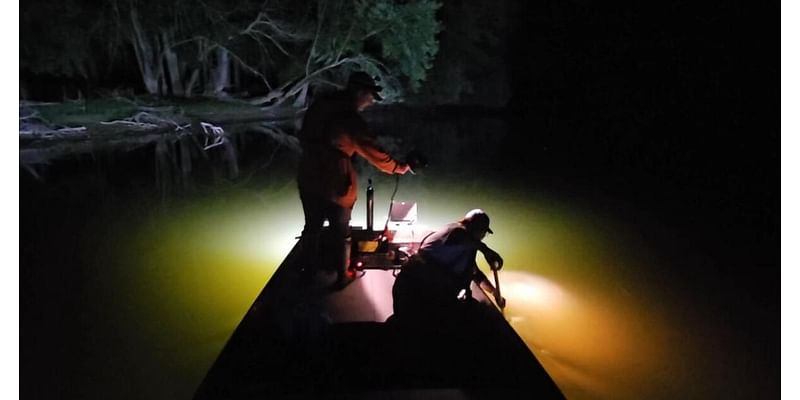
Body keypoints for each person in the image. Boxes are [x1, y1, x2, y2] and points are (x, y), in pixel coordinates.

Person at [296, 71, 411, 288]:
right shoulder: (350, 119)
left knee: (312, 227)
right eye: (369, 96)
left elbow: (303, 134)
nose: (370, 102)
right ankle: (342, 277)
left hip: (308, 174)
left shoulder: (321, 105)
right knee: (341, 230)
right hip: (335, 180)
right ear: (359, 92)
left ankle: (307, 275)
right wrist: (398, 167)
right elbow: (372, 150)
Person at [391, 209, 506, 323]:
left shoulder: (468, 246)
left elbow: (476, 274)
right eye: (483, 232)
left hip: (432, 292)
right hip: (413, 289)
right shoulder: (454, 231)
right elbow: (462, 237)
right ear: (473, 227)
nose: (483, 236)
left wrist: (494, 292)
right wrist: (485, 250)